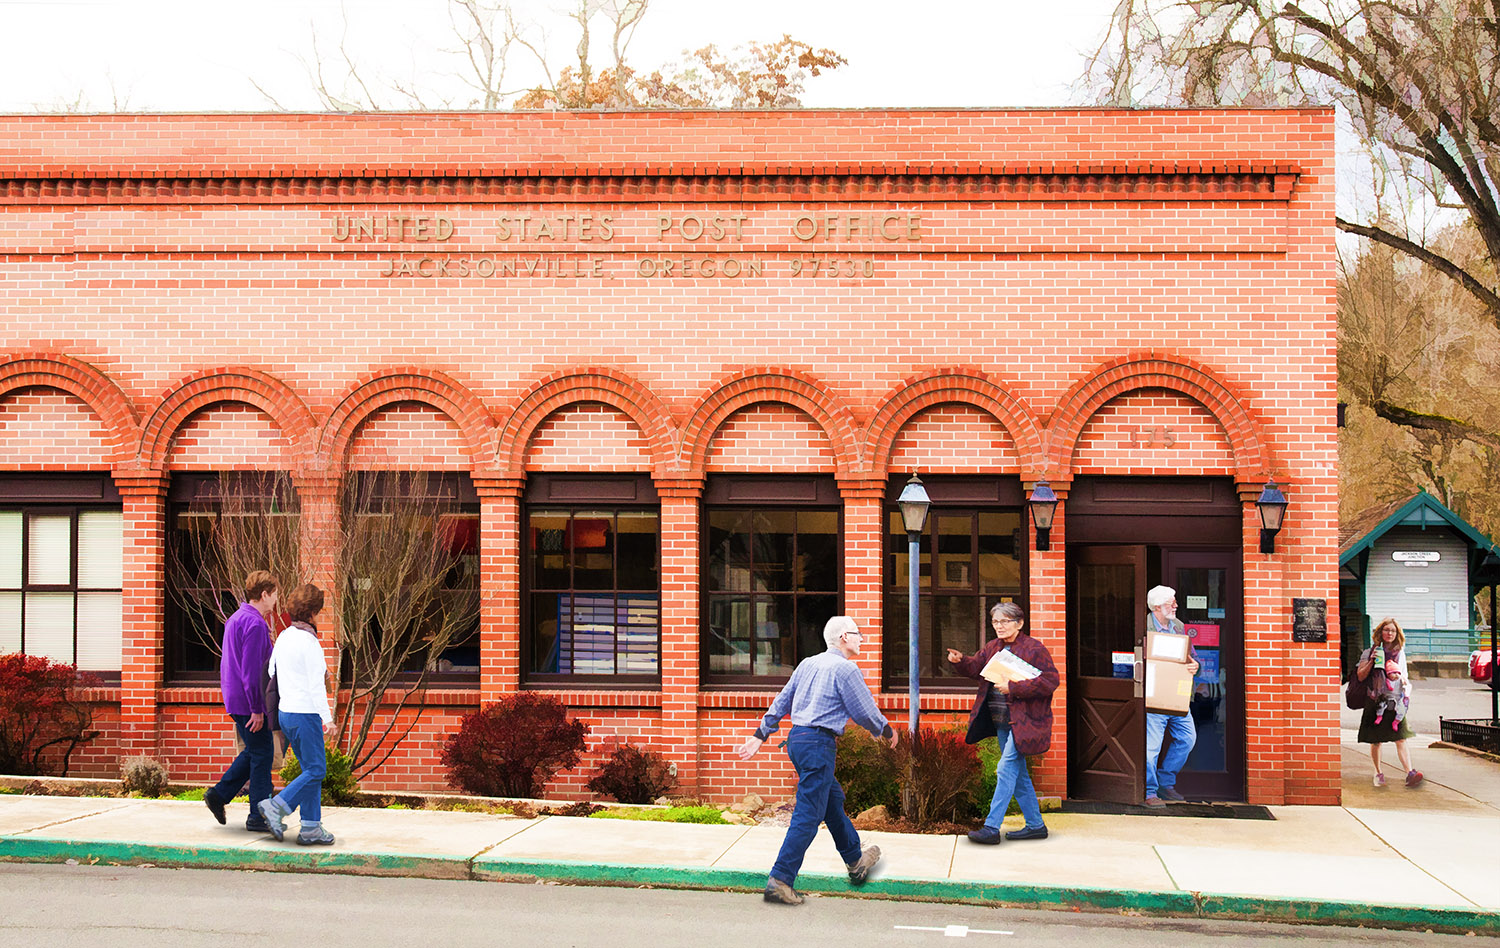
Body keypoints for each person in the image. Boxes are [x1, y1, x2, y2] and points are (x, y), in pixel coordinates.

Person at [736, 616, 896, 906]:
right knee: (809, 814)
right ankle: (781, 879)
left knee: (831, 802)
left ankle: (855, 860)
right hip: (819, 744)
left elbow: (783, 700)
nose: (862, 639)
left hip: (797, 741)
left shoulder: (808, 663)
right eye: (859, 634)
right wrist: (884, 730)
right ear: (844, 637)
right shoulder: (846, 669)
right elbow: (864, 710)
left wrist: (761, 733)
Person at [947, 601, 1059, 844]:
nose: (999, 626)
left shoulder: (1034, 649)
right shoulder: (993, 647)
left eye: (1005, 621)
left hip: (1025, 722)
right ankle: (1036, 825)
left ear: (1019, 623)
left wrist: (1014, 687)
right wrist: (960, 661)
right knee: (1018, 776)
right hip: (1001, 720)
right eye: (995, 622)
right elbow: (977, 667)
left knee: (1005, 769)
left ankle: (990, 827)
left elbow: (1050, 681)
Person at [257, 583, 336, 845]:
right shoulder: (309, 642)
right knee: (316, 770)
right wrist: (328, 719)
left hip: (286, 714)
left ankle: (311, 828)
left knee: (308, 769)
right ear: (313, 612)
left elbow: (271, 673)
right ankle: (277, 806)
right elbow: (315, 686)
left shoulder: (285, 636)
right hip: (305, 715)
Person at [203, 570, 278, 832]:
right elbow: (251, 672)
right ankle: (257, 816)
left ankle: (219, 795)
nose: (276, 600)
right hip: (249, 702)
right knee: (262, 753)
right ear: (265, 594)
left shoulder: (235, 618)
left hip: (235, 698)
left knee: (254, 751)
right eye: (275, 594)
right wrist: (257, 709)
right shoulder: (255, 624)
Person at [1144, 585, 1198, 807]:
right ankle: (1150, 791)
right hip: (1154, 696)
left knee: (1187, 739)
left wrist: (1195, 664)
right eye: (1170, 602)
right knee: (1151, 748)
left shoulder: (1178, 626)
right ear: (1157, 606)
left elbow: (1190, 656)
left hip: (1177, 695)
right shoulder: (1144, 627)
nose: (1175, 606)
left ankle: (1166, 781)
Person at [1356, 617, 1423, 788]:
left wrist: (1403, 686)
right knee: (1375, 740)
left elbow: (1404, 675)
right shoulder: (1369, 651)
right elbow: (1361, 676)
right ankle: (1378, 773)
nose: (1390, 633)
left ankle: (1410, 773)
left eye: (1393, 631)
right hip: (1376, 699)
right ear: (1380, 632)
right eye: (1386, 630)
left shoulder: (1400, 653)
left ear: (1397, 634)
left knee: (1400, 738)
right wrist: (1372, 660)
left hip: (1394, 700)